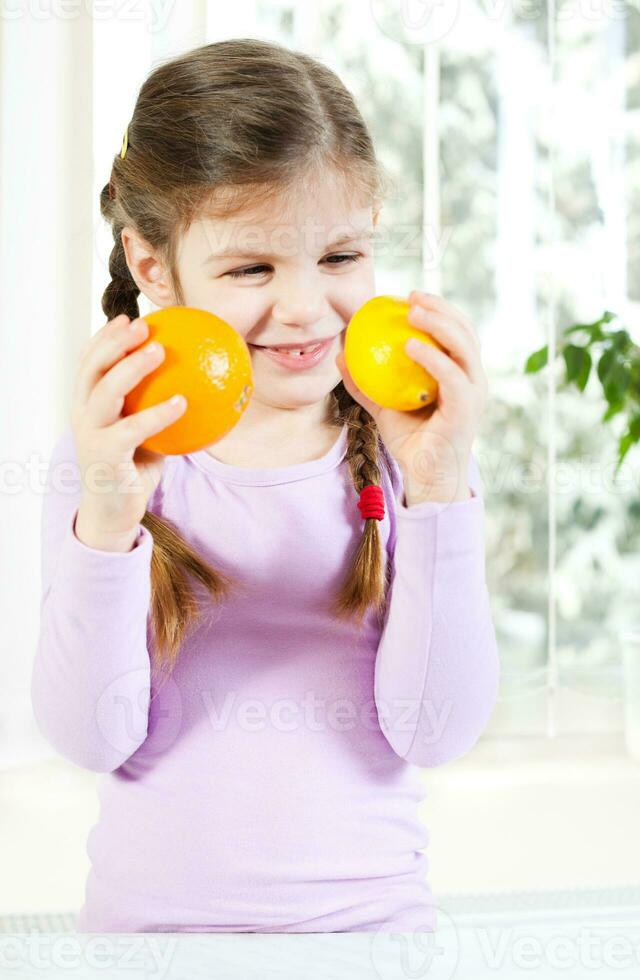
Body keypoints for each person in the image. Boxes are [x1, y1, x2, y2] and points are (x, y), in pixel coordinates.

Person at [31, 37, 499, 934]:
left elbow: (434, 732)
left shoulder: (415, 456)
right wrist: (107, 521)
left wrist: (439, 486)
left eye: (339, 258)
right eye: (251, 268)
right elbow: (88, 736)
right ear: (153, 264)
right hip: (148, 948)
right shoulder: (113, 463)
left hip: (372, 939)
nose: (302, 309)